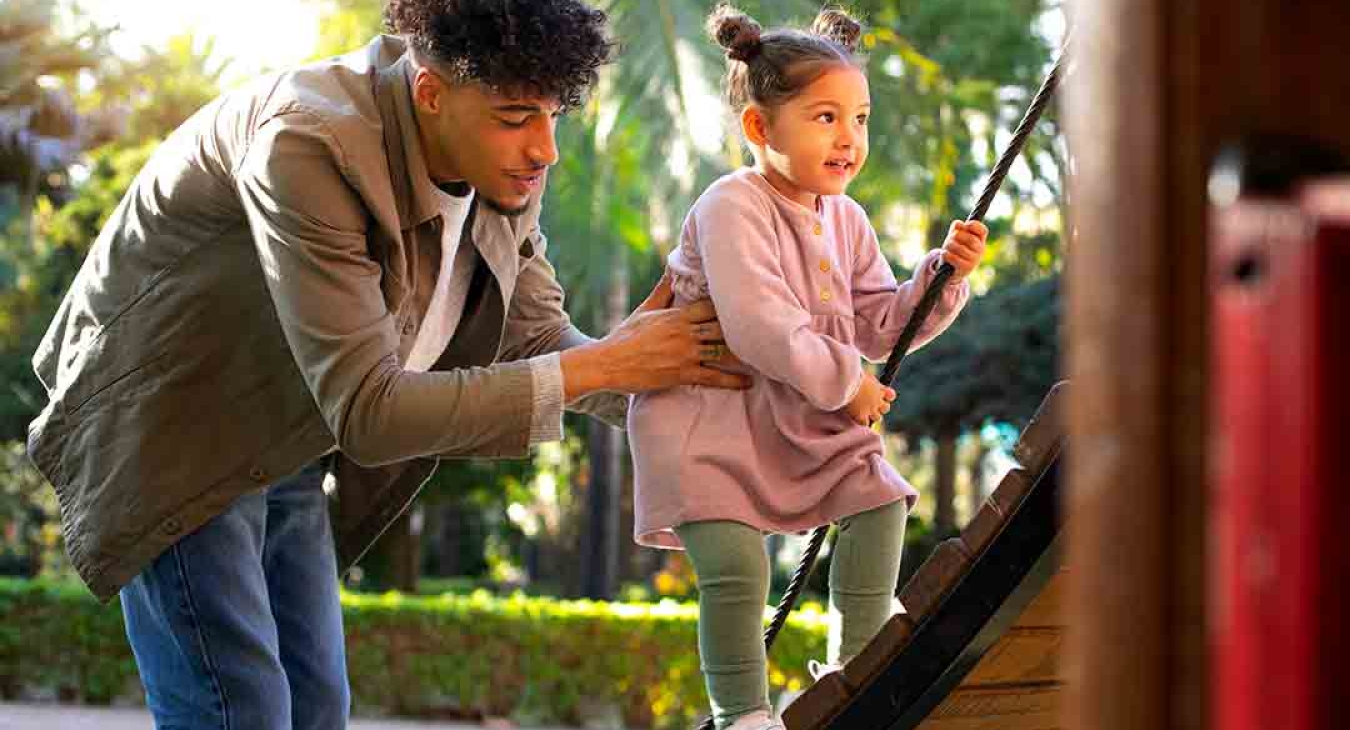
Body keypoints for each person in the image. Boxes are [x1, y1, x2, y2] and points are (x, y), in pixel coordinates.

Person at [24, 1, 749, 728]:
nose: (544, 149)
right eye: (515, 116)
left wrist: (704, 390)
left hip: (286, 439)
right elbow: (371, 412)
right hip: (174, 426)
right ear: (430, 92)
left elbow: (538, 342)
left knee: (316, 709)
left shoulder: (499, 170)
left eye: (553, 114)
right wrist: (611, 367)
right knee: (239, 710)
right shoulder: (309, 142)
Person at [626, 6, 989, 729]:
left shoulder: (844, 217)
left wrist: (941, 278)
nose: (849, 139)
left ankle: (858, 668)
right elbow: (760, 326)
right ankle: (744, 715)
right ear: (761, 128)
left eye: (859, 118)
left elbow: (880, 322)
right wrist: (847, 383)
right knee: (737, 571)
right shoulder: (731, 204)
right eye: (826, 117)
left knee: (879, 497)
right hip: (707, 420)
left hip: (797, 415)